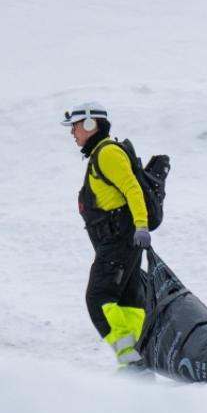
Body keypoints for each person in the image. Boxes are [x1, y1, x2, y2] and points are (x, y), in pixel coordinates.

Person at [61, 102, 153, 371]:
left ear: (91, 124)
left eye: (76, 127)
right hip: (123, 240)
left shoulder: (107, 153)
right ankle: (137, 362)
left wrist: (141, 226)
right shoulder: (100, 154)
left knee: (98, 298)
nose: (73, 133)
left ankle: (132, 362)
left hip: (120, 240)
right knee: (128, 301)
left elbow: (132, 189)